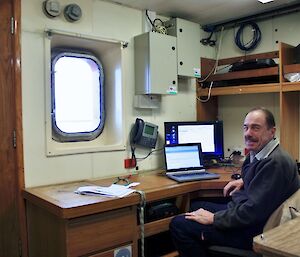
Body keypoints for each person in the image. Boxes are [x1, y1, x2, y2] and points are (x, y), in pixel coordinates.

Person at [169, 107, 300, 257]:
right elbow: (265, 184)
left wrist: (214, 219)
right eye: (246, 127)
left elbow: (252, 212)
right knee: (197, 205)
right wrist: (245, 180)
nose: (248, 133)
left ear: (272, 131)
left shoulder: (276, 163)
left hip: (254, 230)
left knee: (179, 224)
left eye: (255, 128)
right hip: (252, 217)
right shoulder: (263, 153)